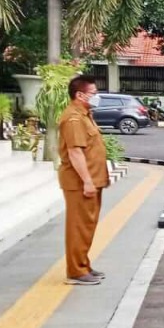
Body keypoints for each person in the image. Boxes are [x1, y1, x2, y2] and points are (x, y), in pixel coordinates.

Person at [58, 75, 110, 285]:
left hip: (91, 180)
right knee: (78, 227)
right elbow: (75, 152)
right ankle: (76, 271)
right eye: (93, 93)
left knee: (87, 226)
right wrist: (87, 181)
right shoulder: (73, 118)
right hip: (80, 182)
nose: (96, 97)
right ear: (79, 95)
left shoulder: (85, 114)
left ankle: (83, 265)